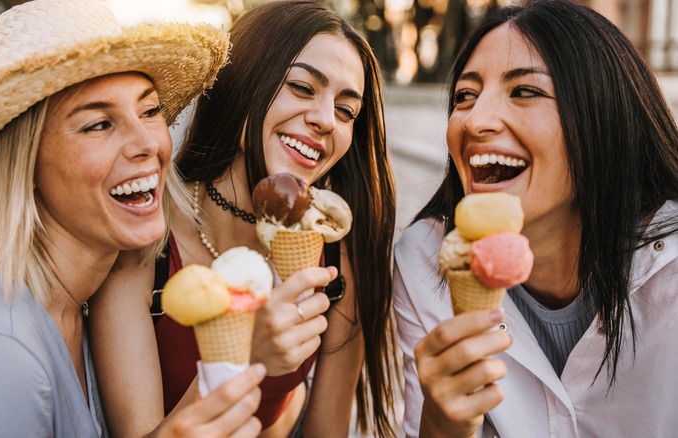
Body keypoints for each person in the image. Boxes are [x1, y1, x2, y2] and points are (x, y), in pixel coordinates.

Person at [0, 0, 267, 436]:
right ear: (26, 163)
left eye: (150, 111)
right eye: (98, 125)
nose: (148, 143)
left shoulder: (75, 305)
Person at [89, 1, 399, 436]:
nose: (327, 119)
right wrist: (242, 362)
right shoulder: (145, 244)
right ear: (243, 83)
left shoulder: (335, 258)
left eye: (347, 111)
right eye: (302, 87)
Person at [393, 0, 678, 436]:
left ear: (604, 116)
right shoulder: (423, 263)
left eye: (525, 91)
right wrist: (441, 428)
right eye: (465, 96)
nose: (475, 120)